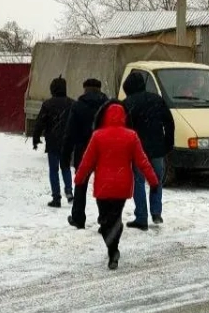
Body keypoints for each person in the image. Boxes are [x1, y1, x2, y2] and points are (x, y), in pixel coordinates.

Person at [73, 101, 160, 270]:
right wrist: (153, 180)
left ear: (105, 117)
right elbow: (142, 161)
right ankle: (114, 248)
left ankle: (112, 248)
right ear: (123, 117)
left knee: (105, 220)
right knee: (116, 217)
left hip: (103, 186)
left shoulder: (98, 136)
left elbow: (87, 161)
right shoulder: (131, 136)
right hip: (122, 185)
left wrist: (79, 179)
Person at [122, 71, 175, 229]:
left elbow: (125, 129)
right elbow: (169, 122)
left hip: (138, 150)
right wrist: (168, 143)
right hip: (157, 148)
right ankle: (156, 213)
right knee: (156, 180)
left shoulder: (127, 103)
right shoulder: (157, 100)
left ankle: (142, 217)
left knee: (138, 182)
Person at [63, 78, 109, 229]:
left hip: (83, 151)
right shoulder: (108, 106)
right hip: (104, 151)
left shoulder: (78, 106)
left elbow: (70, 133)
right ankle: (105, 220)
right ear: (99, 89)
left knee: (81, 185)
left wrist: (65, 154)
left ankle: (78, 218)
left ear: (85, 89)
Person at [33, 76, 75, 208]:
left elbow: (40, 123)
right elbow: (75, 122)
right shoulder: (72, 103)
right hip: (67, 140)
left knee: (53, 169)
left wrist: (36, 138)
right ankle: (69, 191)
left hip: (52, 141)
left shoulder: (47, 104)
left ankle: (56, 197)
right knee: (66, 167)